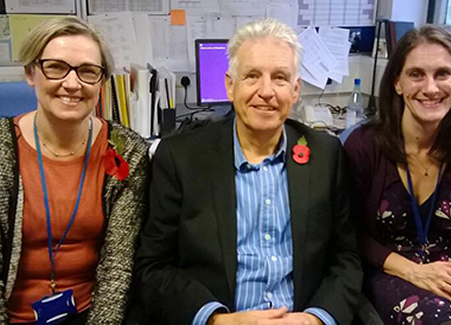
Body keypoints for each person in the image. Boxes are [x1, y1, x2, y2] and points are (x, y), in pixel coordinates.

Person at [133, 18, 362, 325]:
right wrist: (216, 319)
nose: (266, 91)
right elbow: (153, 267)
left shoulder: (326, 155)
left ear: (295, 91)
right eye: (252, 76)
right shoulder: (180, 158)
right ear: (230, 85)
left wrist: (316, 319)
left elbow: (346, 259)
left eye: (280, 78)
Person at [0, 17, 149, 324]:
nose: (72, 84)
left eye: (88, 71)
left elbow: (118, 268)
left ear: (101, 83)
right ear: (30, 73)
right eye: (56, 67)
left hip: (92, 313)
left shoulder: (125, 150)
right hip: (9, 315)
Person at [344, 25, 451, 325]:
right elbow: (349, 233)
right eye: (416, 74)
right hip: (387, 269)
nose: (430, 88)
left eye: (442, 74)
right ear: (397, 83)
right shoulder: (363, 147)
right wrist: (415, 272)